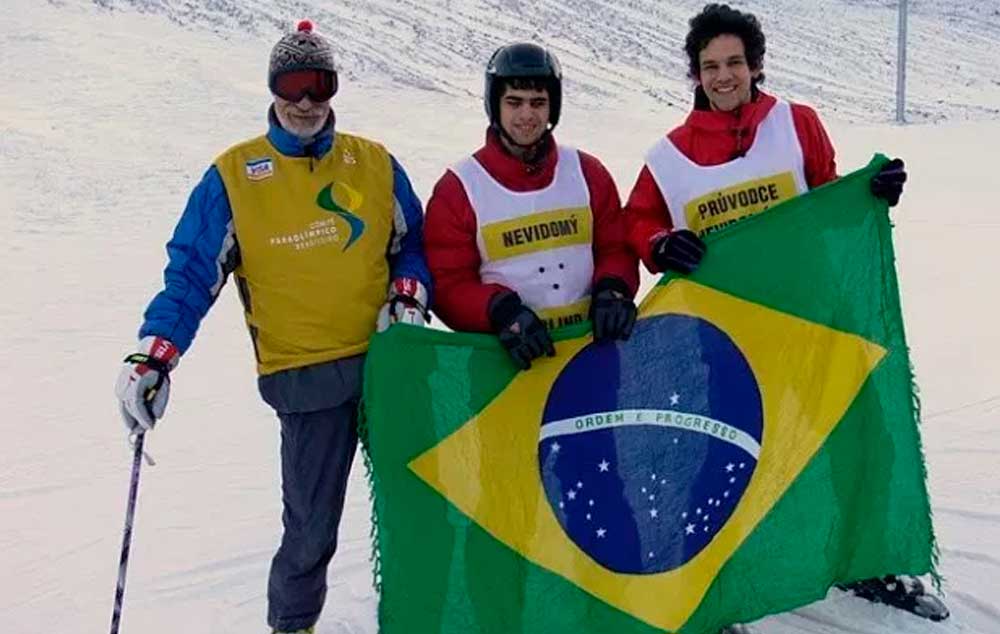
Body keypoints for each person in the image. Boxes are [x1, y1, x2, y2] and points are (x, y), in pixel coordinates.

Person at [624, 3, 945, 627]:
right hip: (725, 342)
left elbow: (827, 197)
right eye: (711, 66)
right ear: (695, 74)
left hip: (812, 324)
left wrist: (870, 195)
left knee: (852, 442)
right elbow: (637, 219)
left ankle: (865, 559)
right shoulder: (669, 156)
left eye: (735, 63)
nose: (724, 76)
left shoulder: (796, 124)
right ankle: (712, 588)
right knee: (725, 461)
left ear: (756, 65)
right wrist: (658, 244)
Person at [113, 20, 431, 634]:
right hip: (304, 375)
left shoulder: (373, 163)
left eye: (319, 84)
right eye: (293, 84)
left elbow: (412, 246)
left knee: (421, 502)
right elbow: (190, 278)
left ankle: (427, 612)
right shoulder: (233, 176)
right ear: (272, 88)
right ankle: (293, 626)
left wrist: (409, 293)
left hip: (392, 364)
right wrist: (155, 356)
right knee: (311, 525)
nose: (306, 101)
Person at [424, 42, 639, 370]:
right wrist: (499, 310)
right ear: (494, 105)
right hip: (507, 366)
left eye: (538, 103)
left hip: (590, 354)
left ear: (553, 107)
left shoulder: (586, 172)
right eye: (514, 102)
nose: (527, 115)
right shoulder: (459, 188)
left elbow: (616, 247)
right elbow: (447, 283)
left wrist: (613, 288)